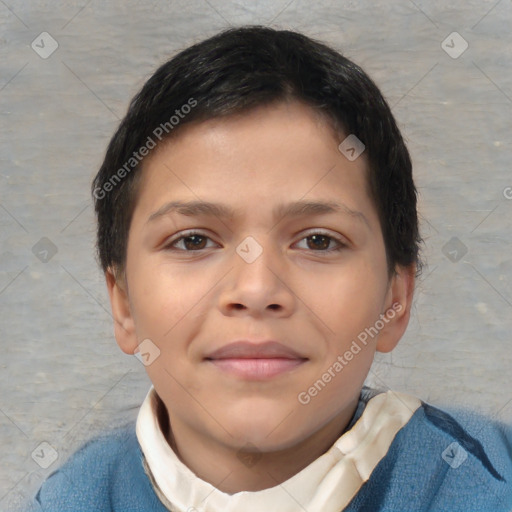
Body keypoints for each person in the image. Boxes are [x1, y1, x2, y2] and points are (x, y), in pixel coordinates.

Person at [27, 25, 512, 511]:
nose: (256, 289)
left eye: (318, 241)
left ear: (395, 299)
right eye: (193, 240)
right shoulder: (70, 499)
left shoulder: (490, 486)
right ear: (123, 302)